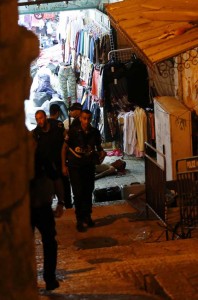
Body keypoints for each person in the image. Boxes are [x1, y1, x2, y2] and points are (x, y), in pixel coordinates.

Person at [62, 109, 106, 232]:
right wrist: (63, 166)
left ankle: (87, 216)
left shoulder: (94, 132)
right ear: (80, 119)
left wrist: (101, 154)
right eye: (84, 118)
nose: (86, 121)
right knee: (78, 193)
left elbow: (99, 148)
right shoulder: (73, 132)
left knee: (88, 191)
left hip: (88, 166)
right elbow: (64, 148)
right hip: (75, 166)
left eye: (88, 119)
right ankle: (79, 219)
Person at [29, 140, 59, 291]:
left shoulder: (40, 156)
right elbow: (55, 177)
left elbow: (55, 177)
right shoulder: (40, 155)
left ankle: (48, 278)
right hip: (37, 207)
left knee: (48, 242)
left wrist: (61, 201)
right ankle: (48, 278)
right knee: (48, 242)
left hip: (37, 207)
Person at [32, 109, 65, 218]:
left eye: (41, 118)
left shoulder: (57, 126)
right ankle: (51, 206)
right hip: (46, 162)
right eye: (37, 119)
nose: (39, 121)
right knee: (51, 182)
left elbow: (65, 137)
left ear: (45, 117)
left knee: (61, 181)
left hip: (60, 159)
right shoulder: (36, 133)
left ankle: (63, 203)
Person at [49, 104, 73, 209]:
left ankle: (50, 204)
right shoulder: (59, 124)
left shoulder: (44, 123)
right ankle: (67, 203)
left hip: (48, 159)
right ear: (58, 112)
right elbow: (65, 136)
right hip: (59, 157)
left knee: (50, 181)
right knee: (64, 181)